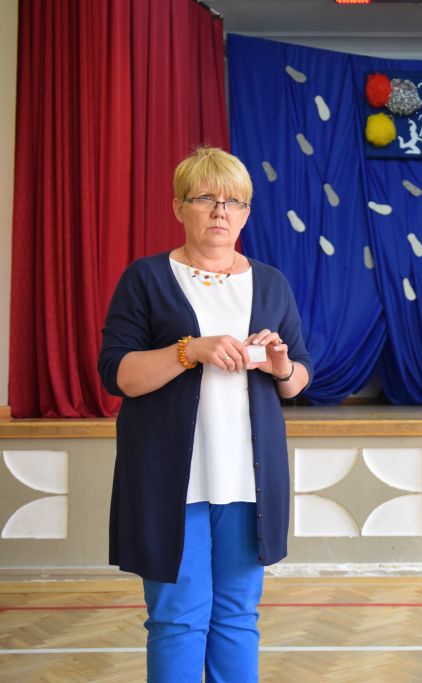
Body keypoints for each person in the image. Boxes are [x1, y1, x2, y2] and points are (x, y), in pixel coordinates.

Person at [98, 146, 313, 682]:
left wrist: (283, 366)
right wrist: (189, 350)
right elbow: (119, 374)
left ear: (246, 213)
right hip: (172, 481)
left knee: (238, 616)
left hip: (247, 482)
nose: (220, 211)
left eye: (233, 201)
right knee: (176, 619)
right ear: (179, 207)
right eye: (205, 199)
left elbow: (298, 380)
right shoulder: (146, 279)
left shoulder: (271, 283)